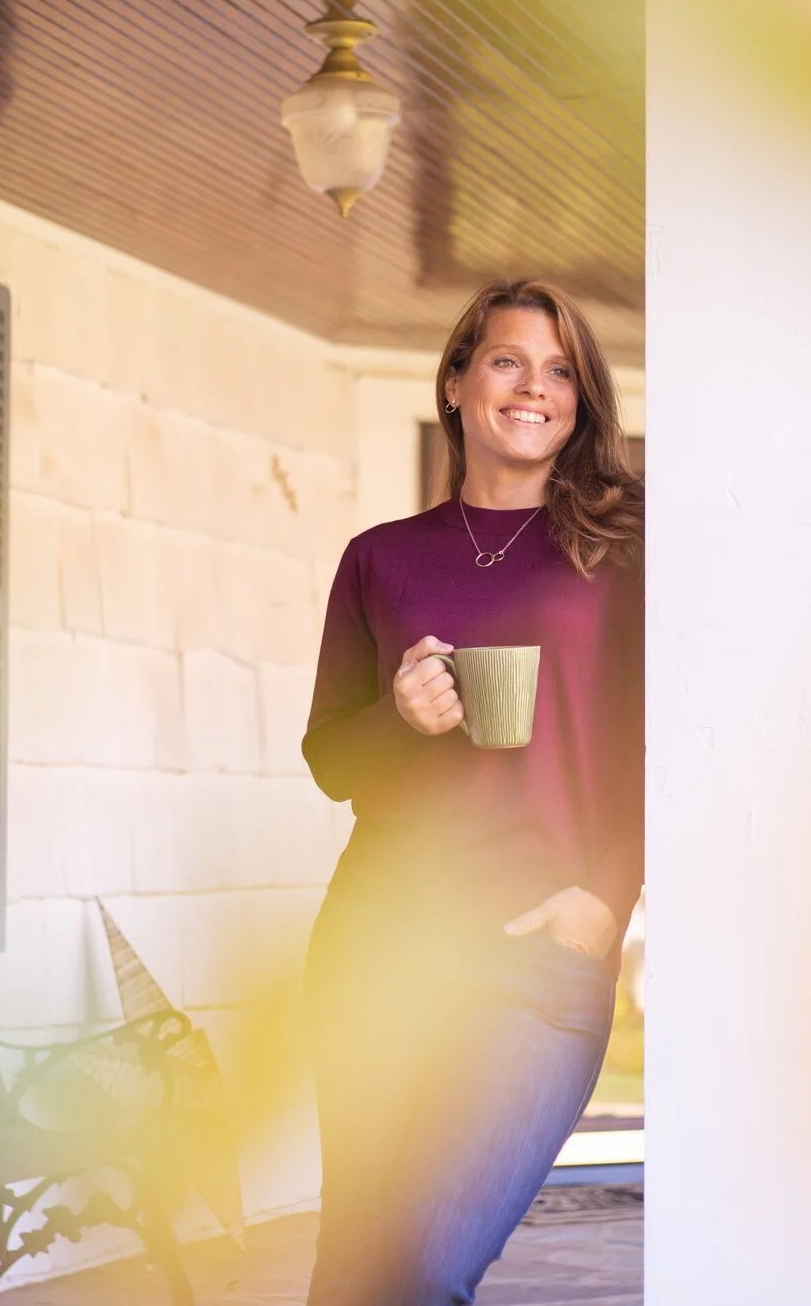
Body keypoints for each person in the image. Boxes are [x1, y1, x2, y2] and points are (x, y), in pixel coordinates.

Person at [300, 279, 644, 1304]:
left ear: (579, 403)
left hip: (535, 959)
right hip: (379, 943)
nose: (533, 388)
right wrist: (400, 720)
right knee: (353, 1268)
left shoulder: (622, 552)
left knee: (419, 1268)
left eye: (560, 372)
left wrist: (607, 900)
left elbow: (674, 746)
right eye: (506, 360)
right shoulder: (380, 559)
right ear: (456, 382)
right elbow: (329, 760)